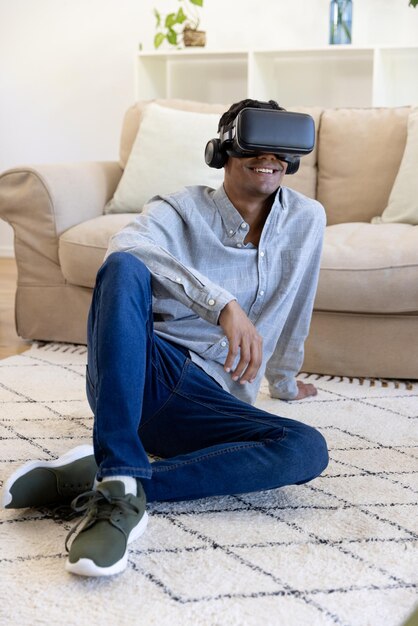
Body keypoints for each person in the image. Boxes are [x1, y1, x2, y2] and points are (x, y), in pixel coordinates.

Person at [1, 99, 328, 578]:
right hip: (144, 375)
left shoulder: (306, 218)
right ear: (222, 150)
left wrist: (284, 380)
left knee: (305, 449)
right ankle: (120, 489)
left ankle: (114, 477)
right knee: (124, 267)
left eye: (279, 149)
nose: (268, 158)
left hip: (213, 399)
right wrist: (222, 305)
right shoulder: (180, 208)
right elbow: (125, 247)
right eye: (254, 144)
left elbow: (300, 299)